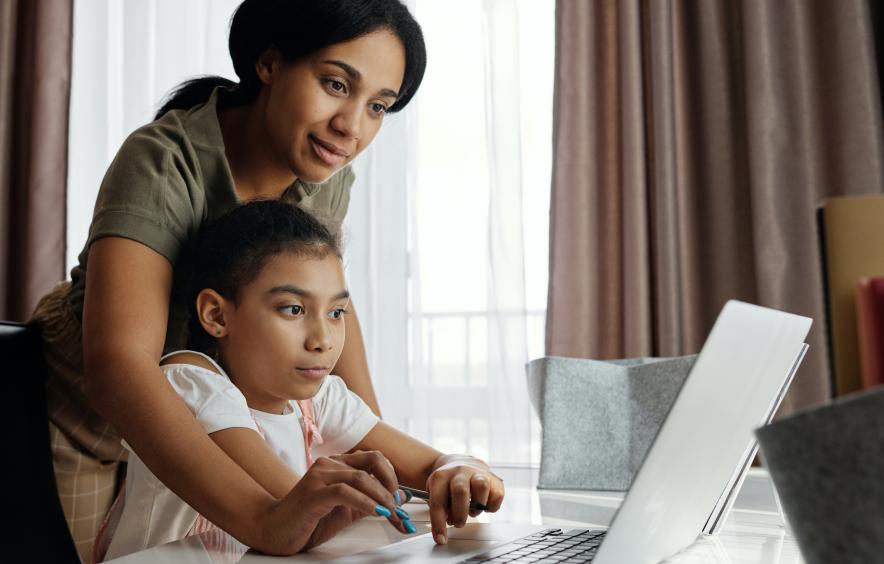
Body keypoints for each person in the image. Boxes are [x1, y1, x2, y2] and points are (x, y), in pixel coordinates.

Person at [29, 0, 447, 559]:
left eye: (377, 106)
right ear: (269, 64)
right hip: (87, 410)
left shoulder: (324, 171)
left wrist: (380, 460)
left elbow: (325, 301)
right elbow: (120, 369)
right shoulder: (162, 161)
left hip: (213, 412)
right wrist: (262, 517)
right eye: (335, 84)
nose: (351, 126)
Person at [95, 200, 503, 560]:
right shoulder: (191, 383)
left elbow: (430, 463)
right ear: (217, 315)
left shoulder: (317, 400)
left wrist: (462, 470)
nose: (323, 340)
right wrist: (366, 493)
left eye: (336, 313)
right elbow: (289, 509)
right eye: (292, 309)